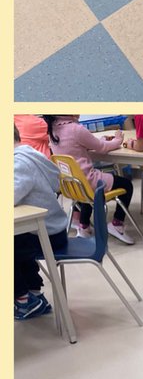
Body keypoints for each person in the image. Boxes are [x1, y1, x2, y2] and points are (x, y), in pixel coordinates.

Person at [44, 115, 136, 244]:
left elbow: (81, 144)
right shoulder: (76, 129)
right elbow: (102, 148)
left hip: (73, 184)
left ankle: (84, 227)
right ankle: (117, 224)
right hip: (89, 182)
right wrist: (118, 140)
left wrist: (101, 141)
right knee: (126, 184)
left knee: (86, 193)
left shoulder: (53, 130)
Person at [14, 124, 69, 320]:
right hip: (53, 229)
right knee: (16, 240)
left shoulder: (18, 164)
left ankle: (23, 300)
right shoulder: (32, 155)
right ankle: (33, 293)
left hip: (47, 235)